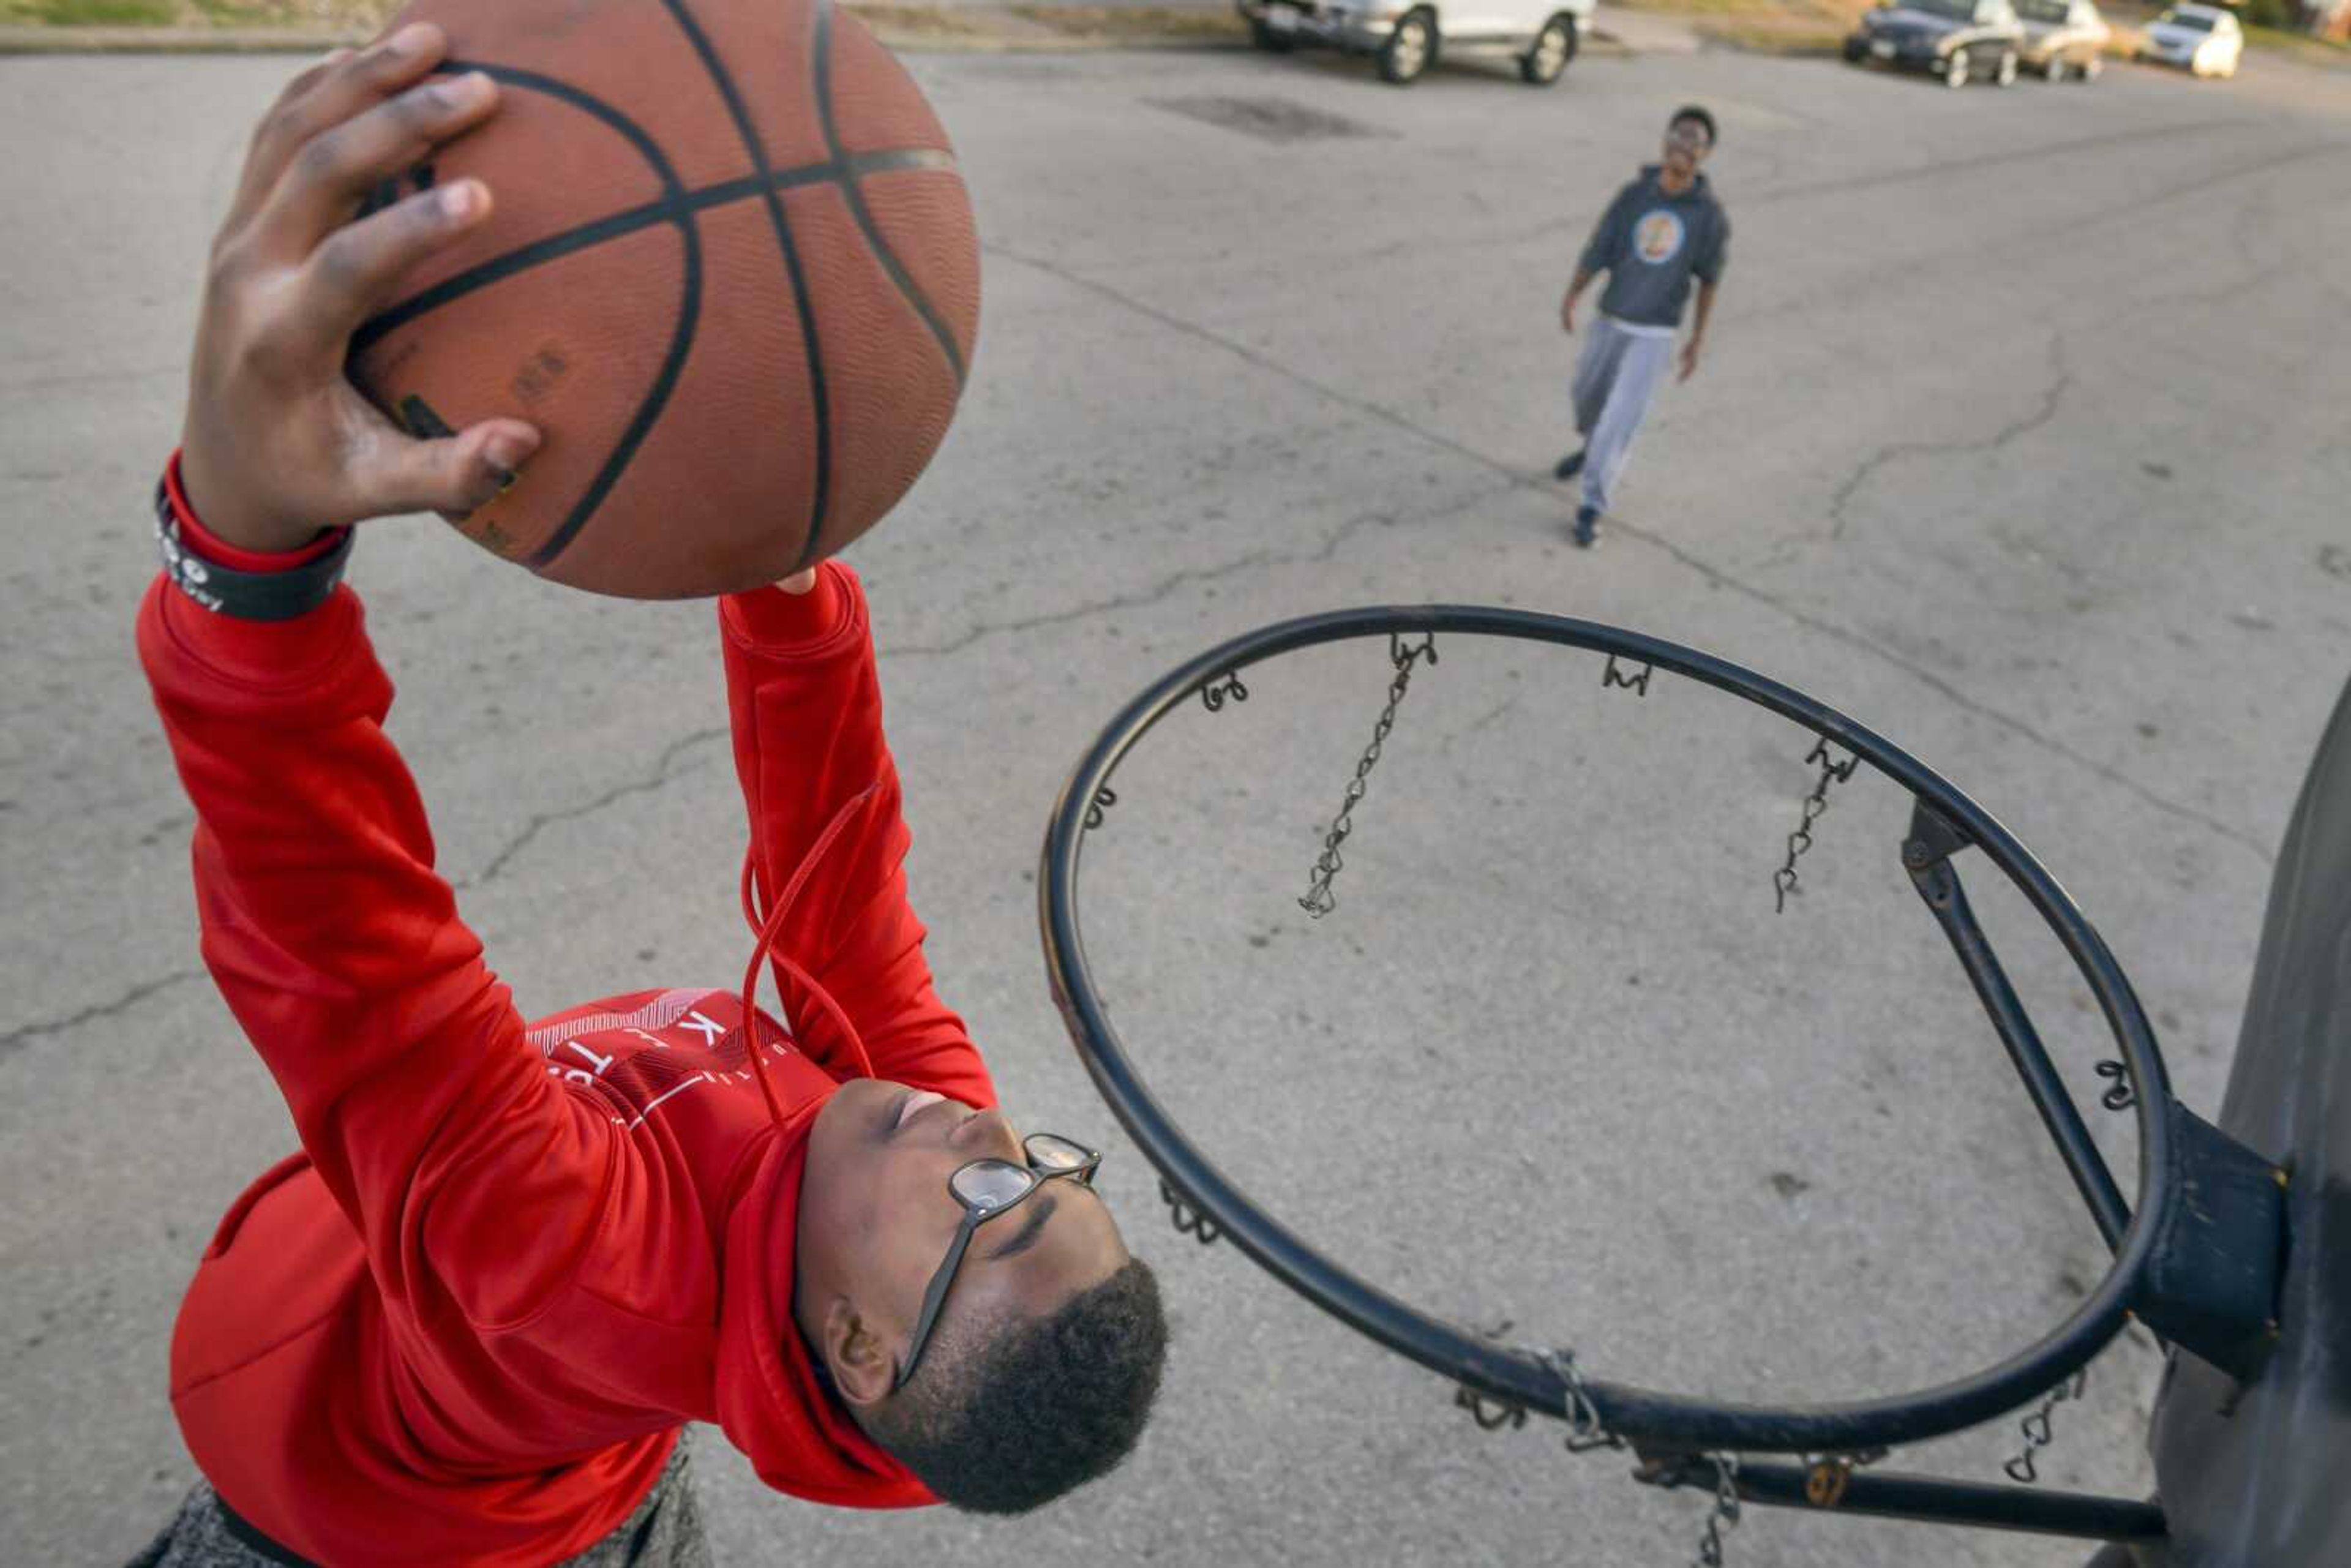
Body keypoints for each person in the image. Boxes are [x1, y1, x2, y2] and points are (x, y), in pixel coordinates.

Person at [130, 28, 1165, 1567]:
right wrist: (784, 553)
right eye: (1051, 1156)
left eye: (999, 1203)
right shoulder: (895, 1131)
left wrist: (244, 556)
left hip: (344, 1518)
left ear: (858, 1345)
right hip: (527, 1444)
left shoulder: (580, 1268)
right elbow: (843, 876)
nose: (988, 1131)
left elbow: (357, 965)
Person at [1554, 105, 1731, 548]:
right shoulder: (1635, 195)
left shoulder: (1708, 216)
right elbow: (1601, 246)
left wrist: (1696, 339)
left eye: (1695, 140)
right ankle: (1590, 446)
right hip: (1612, 317)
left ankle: (1592, 505)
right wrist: (1574, 292)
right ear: (1665, 140)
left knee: (1620, 420)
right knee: (1587, 398)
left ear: (1706, 154)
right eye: (1679, 135)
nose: (1684, 146)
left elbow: (1709, 280)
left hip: (1654, 333)